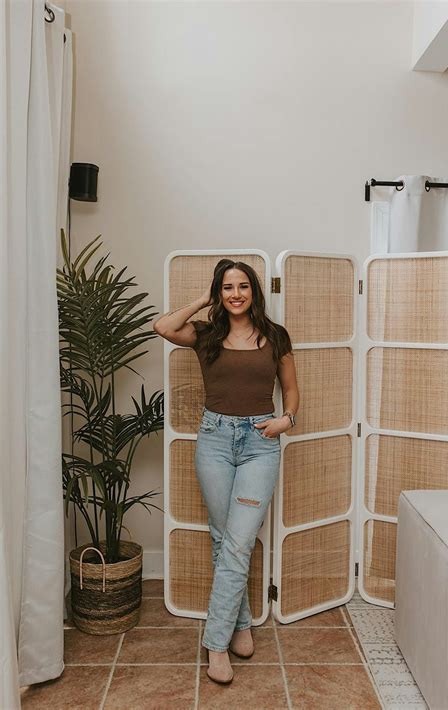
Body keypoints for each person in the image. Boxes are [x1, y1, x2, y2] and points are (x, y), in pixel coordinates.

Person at [153, 258, 299, 684]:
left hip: (260, 444)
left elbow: (291, 389)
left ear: (255, 291)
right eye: (227, 287)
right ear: (219, 293)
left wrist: (285, 420)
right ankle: (241, 624)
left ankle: (215, 643)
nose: (236, 294)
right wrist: (203, 298)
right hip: (214, 441)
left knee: (237, 542)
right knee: (224, 539)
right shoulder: (206, 334)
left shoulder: (275, 336)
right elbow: (163, 327)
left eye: (243, 286)